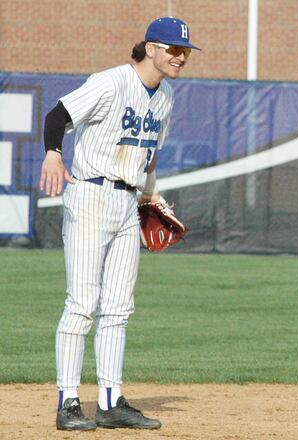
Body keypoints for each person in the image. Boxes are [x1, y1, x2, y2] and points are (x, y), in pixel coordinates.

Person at [39, 16, 200, 431]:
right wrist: (54, 153)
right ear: (150, 48)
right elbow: (57, 116)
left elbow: (150, 154)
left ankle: (111, 402)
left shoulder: (165, 98)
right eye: (173, 49)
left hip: (127, 202)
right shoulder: (110, 82)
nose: (180, 57)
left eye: (184, 51)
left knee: (118, 308)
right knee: (81, 305)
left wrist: (151, 195)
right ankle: (69, 403)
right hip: (91, 195)